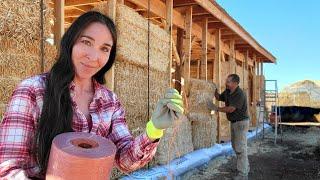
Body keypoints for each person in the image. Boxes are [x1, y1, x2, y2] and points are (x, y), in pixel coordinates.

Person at [0, 11, 183, 179]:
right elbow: (7, 169)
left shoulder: (110, 101)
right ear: (70, 42)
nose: (94, 56)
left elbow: (125, 160)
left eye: (104, 48)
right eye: (86, 42)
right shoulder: (33, 91)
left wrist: (154, 130)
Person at [207, 74, 250, 180]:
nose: (226, 83)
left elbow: (231, 109)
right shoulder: (227, 91)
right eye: (227, 81)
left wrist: (216, 108)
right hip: (234, 122)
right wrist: (213, 88)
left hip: (241, 123)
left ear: (235, 83)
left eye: (228, 81)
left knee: (240, 148)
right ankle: (244, 167)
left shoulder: (239, 94)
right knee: (235, 146)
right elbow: (218, 97)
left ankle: (243, 174)